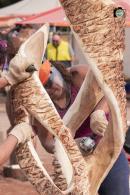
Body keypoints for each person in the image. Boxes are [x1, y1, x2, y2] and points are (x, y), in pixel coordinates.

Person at [38, 61, 129, 195]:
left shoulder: (79, 75)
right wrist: (68, 145)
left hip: (106, 148)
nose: (50, 89)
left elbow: (113, 88)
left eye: (50, 82)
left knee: (118, 191)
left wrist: (99, 112)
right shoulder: (41, 105)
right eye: (44, 88)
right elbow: (46, 142)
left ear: (55, 70)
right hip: (76, 161)